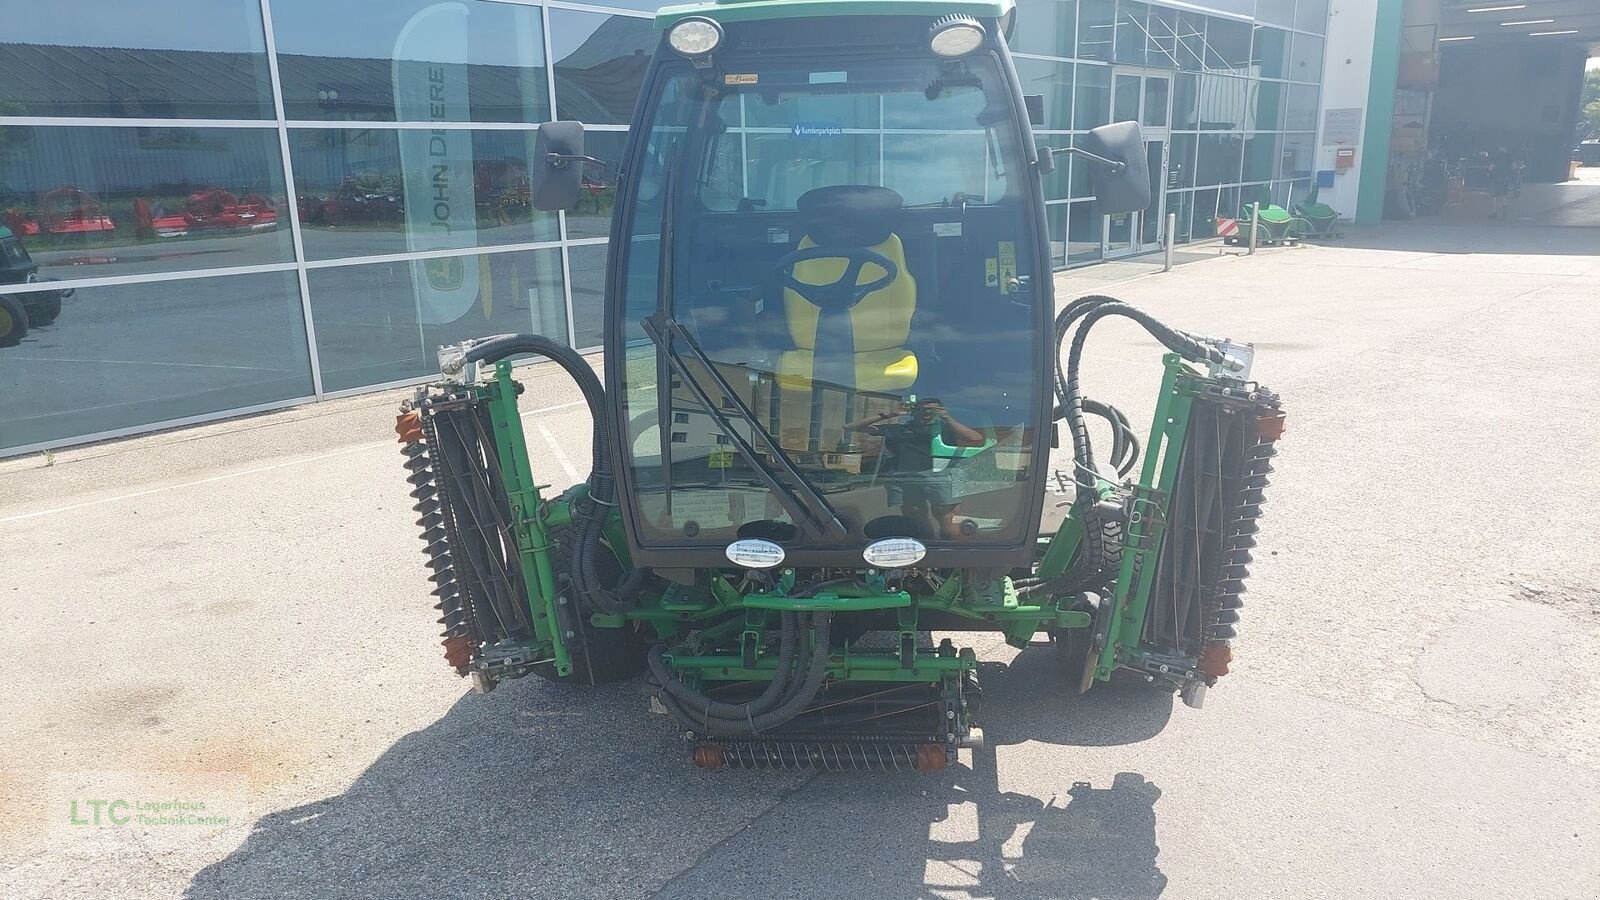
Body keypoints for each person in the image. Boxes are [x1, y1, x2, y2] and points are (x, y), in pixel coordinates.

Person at [846, 397, 984, 539]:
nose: (927, 413)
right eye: (922, 409)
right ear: (914, 411)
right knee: (915, 517)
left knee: (946, 516)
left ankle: (951, 550)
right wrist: (890, 415)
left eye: (933, 410)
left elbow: (975, 438)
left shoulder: (945, 428)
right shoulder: (901, 429)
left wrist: (947, 417)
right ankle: (926, 547)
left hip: (940, 475)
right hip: (907, 476)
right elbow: (850, 427)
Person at [1488, 146, 1515, 220]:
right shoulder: (1510, 157)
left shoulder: (1497, 157)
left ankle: (1494, 212)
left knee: (1494, 196)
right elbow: (1514, 166)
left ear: (1500, 149)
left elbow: (1491, 167)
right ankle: (1504, 212)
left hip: (1497, 178)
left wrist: (1490, 173)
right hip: (1506, 178)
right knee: (1504, 194)